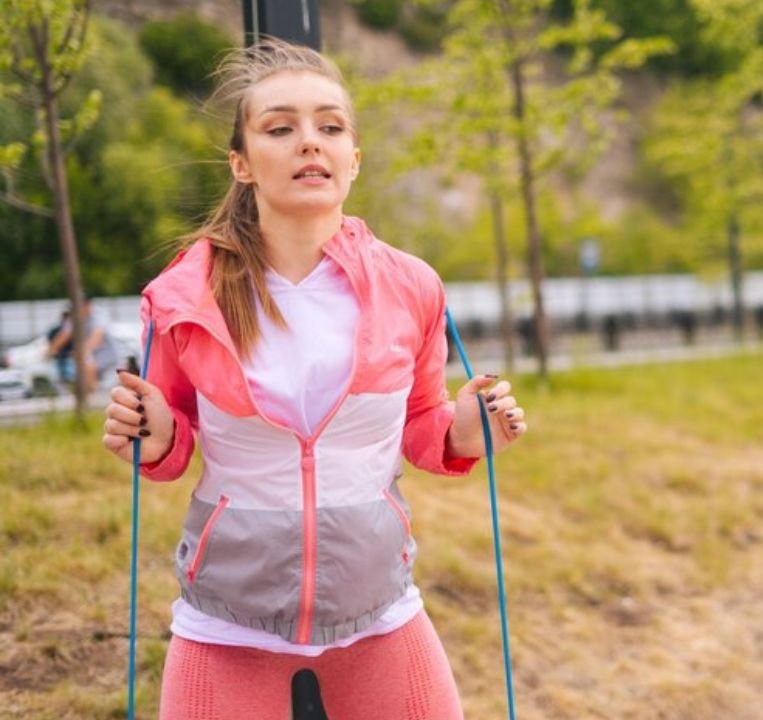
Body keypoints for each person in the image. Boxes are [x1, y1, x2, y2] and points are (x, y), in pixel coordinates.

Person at [100, 40, 527, 719]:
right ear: (241, 163)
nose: (309, 143)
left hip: (380, 614)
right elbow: (171, 446)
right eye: (280, 128)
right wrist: (150, 442)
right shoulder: (182, 297)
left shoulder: (413, 287)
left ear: (353, 159)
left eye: (330, 127)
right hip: (226, 626)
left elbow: (423, 428)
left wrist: (468, 433)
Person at [47, 299, 118, 392]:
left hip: (108, 357)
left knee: (86, 359)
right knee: (85, 360)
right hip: (93, 356)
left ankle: (92, 393)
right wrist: (49, 351)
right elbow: (64, 335)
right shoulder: (75, 318)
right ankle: (90, 393)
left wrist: (82, 352)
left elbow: (97, 337)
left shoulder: (99, 316)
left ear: (87, 306)